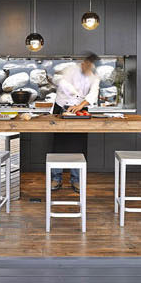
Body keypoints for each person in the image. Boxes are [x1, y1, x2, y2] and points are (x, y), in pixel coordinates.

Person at [51, 51, 101, 191]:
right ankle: (56, 178)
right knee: (59, 145)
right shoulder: (71, 70)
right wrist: (77, 98)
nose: (87, 67)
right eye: (86, 64)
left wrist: (80, 105)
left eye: (90, 65)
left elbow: (93, 94)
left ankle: (77, 179)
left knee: (79, 145)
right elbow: (64, 85)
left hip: (80, 108)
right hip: (62, 107)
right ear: (83, 63)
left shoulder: (94, 77)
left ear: (92, 66)